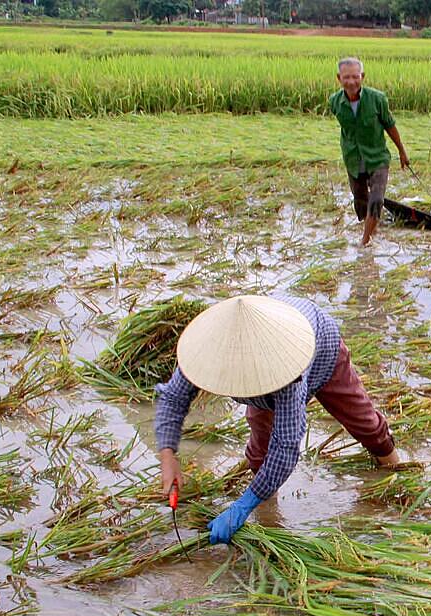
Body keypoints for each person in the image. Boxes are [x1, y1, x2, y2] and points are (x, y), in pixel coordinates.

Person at [154, 295, 402, 544]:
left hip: (321, 348)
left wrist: (242, 505)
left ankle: (396, 475)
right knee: (260, 453)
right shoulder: (207, 350)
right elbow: (173, 398)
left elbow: (286, 446)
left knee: (364, 423)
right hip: (270, 359)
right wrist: (168, 456)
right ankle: (268, 517)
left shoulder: (284, 368)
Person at [330, 57, 410, 245]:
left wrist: (402, 151)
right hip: (353, 157)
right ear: (339, 78)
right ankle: (371, 225)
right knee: (360, 201)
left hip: (377, 157)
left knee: (376, 200)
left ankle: (365, 242)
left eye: (355, 77)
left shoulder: (377, 99)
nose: (351, 82)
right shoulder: (334, 102)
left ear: (362, 77)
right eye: (346, 77)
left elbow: (390, 125)